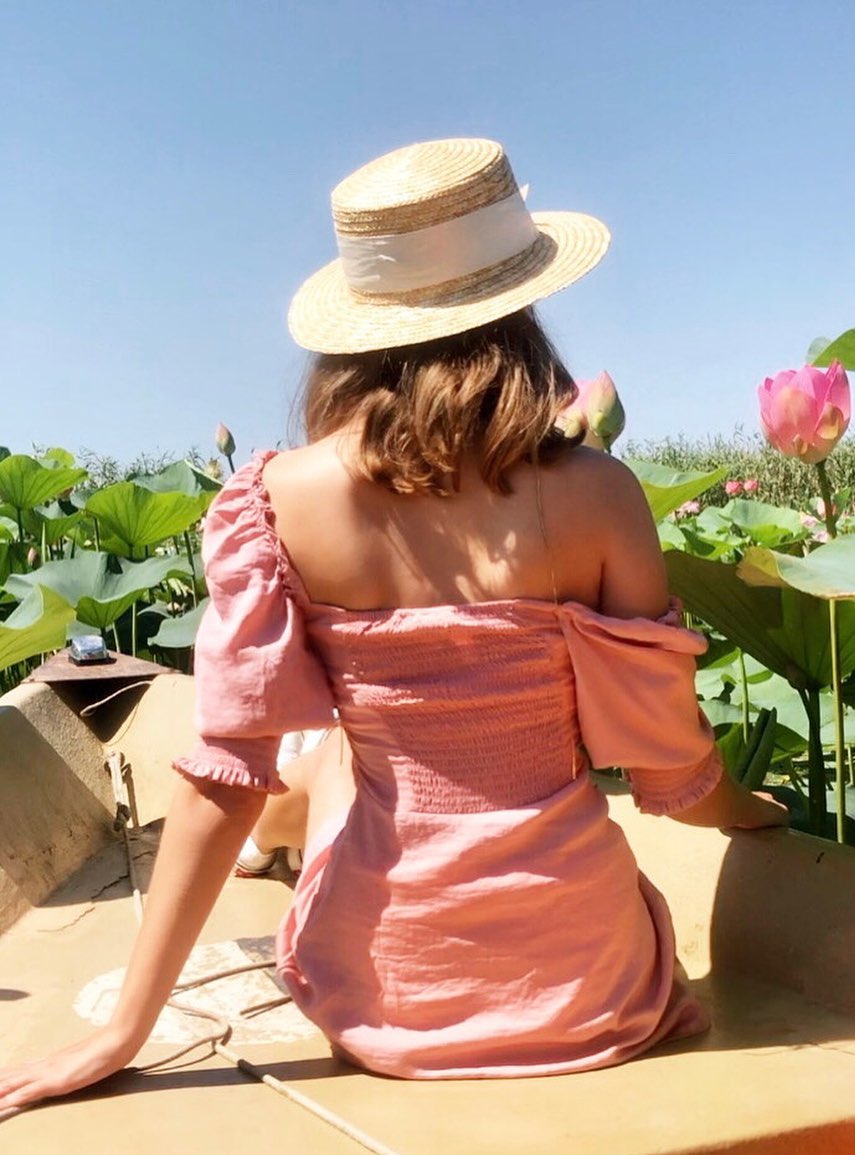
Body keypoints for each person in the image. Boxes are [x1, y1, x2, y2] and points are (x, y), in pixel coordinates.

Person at [0, 138, 788, 1106]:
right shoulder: (602, 494)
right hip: (594, 992)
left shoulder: (275, 501)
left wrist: (127, 1028)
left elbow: (224, 781)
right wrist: (756, 813)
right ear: (522, 305)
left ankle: (282, 852)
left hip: (390, 1001)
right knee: (351, 759)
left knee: (332, 751)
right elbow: (669, 775)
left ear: (354, 327)